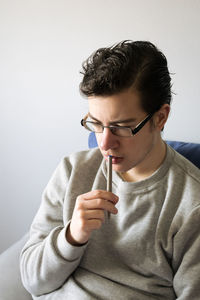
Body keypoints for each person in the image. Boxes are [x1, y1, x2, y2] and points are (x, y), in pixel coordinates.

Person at [20, 40, 200, 299]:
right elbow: (31, 282)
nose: (104, 143)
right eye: (96, 124)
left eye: (121, 127)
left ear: (160, 117)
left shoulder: (191, 205)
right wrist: (71, 237)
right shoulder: (72, 170)